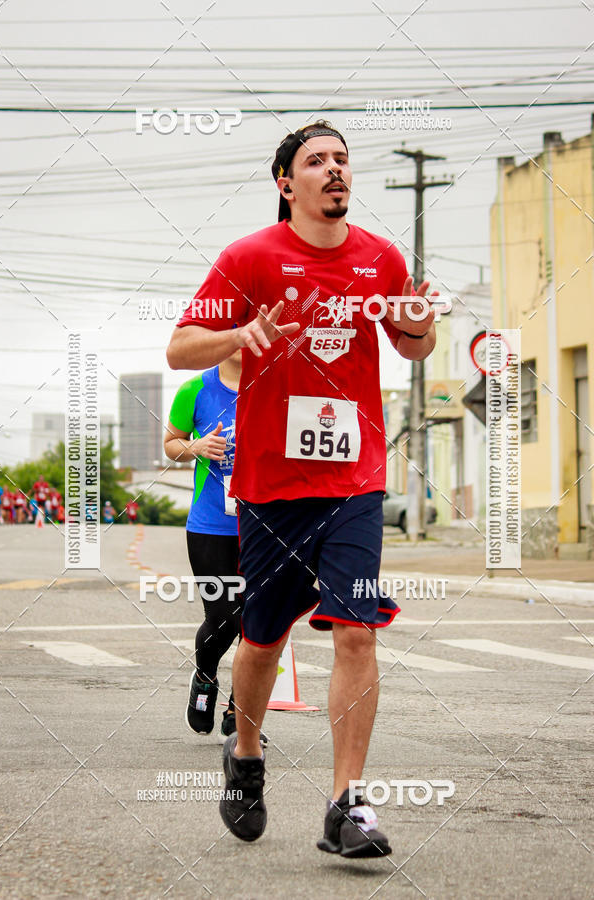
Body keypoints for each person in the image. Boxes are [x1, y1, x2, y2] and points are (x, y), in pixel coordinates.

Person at [166, 121, 436, 856]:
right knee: (261, 639)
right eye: (317, 161)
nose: (334, 169)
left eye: (342, 159)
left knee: (357, 629)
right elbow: (180, 346)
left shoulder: (380, 258)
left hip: (354, 479)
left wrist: (418, 326)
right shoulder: (249, 258)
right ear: (287, 183)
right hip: (272, 486)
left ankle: (347, 806)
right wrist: (239, 335)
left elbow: (412, 344)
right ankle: (246, 756)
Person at [164, 350, 249, 740]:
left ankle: (240, 713)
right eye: (235, 328)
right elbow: (171, 443)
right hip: (211, 526)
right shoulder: (195, 390)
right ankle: (205, 678)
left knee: (259, 623)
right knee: (225, 618)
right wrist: (195, 447)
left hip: (265, 526)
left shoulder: (276, 386)